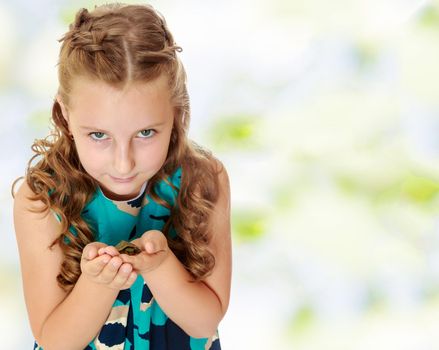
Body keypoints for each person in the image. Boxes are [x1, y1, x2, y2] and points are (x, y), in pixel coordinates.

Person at [11, 3, 231, 349]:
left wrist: (161, 268)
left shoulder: (202, 181)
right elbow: (54, 341)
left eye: (145, 133)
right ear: (66, 116)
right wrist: (98, 284)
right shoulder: (42, 199)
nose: (124, 164)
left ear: (176, 113)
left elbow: (205, 320)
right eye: (99, 136)